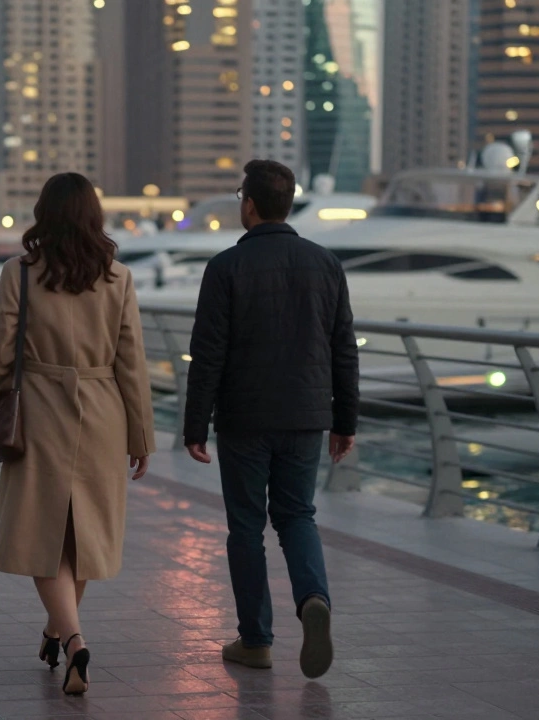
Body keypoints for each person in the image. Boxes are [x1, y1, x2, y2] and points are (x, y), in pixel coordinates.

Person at [0, 172, 155, 696]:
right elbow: (132, 363)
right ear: (93, 215)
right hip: (103, 412)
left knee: (42, 537)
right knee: (84, 537)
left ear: (43, 212)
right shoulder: (118, 276)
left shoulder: (21, 272)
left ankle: (72, 638)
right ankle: (59, 629)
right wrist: (140, 435)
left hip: (39, 408)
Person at [183, 160, 359, 679]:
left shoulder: (225, 268)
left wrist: (195, 426)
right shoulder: (325, 264)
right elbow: (343, 350)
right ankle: (312, 600)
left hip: (244, 417)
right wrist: (345, 421)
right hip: (307, 415)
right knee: (297, 516)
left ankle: (256, 640)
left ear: (250, 205)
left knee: (245, 526)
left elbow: (207, 353)